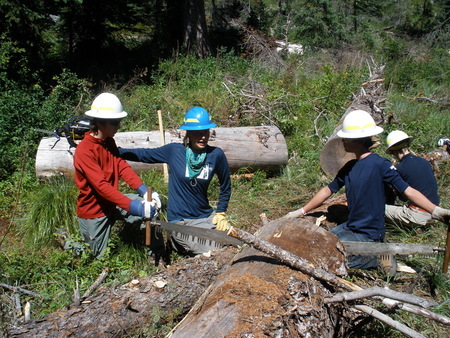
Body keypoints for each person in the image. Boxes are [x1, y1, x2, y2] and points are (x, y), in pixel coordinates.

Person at [286, 110, 450, 275]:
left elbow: (408, 191)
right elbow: (328, 190)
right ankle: (377, 251)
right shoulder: (350, 167)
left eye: (345, 138)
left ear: (355, 141)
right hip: (351, 227)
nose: (343, 141)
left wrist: (435, 210)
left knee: (327, 259)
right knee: (319, 243)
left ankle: (377, 256)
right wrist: (301, 211)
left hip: (369, 234)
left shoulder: (381, 165)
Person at [119, 106, 231, 256]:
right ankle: (175, 243)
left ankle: (182, 245)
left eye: (206, 132)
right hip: (181, 221)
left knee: (231, 246)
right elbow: (144, 154)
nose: (203, 137)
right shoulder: (175, 151)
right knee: (211, 252)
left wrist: (221, 212)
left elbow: (226, 186)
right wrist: (116, 150)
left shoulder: (216, 155)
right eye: (197, 133)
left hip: (206, 217)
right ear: (188, 133)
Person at [72, 92, 160, 258]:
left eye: (119, 122)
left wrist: (143, 190)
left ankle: (155, 255)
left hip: (113, 202)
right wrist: (135, 208)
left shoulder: (108, 141)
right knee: (94, 258)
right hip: (94, 210)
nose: (118, 127)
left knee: (151, 210)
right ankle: (67, 242)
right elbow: (101, 186)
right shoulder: (84, 150)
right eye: (115, 122)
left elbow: (121, 166)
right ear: (99, 122)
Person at [384, 130, 440, 227]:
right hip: (436, 214)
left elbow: (403, 198)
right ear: (408, 146)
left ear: (394, 152)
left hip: (419, 216)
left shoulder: (400, 168)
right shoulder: (424, 162)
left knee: (377, 208)